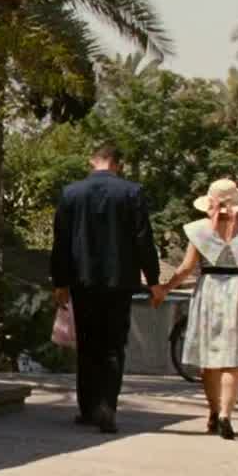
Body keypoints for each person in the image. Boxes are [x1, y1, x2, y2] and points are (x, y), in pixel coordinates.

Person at [50, 143, 162, 434]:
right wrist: (153, 280)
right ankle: (107, 407)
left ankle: (88, 408)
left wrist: (59, 281)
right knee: (113, 345)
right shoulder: (132, 192)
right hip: (118, 281)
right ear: (118, 164)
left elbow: (61, 241)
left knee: (88, 344)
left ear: (92, 161)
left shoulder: (71, 193)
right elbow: (143, 239)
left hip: (82, 280)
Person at [152, 179, 238, 440]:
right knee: (235, 358)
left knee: (210, 358)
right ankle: (226, 415)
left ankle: (213, 411)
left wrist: (165, 289)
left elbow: (186, 268)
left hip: (209, 291)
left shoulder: (199, 230)